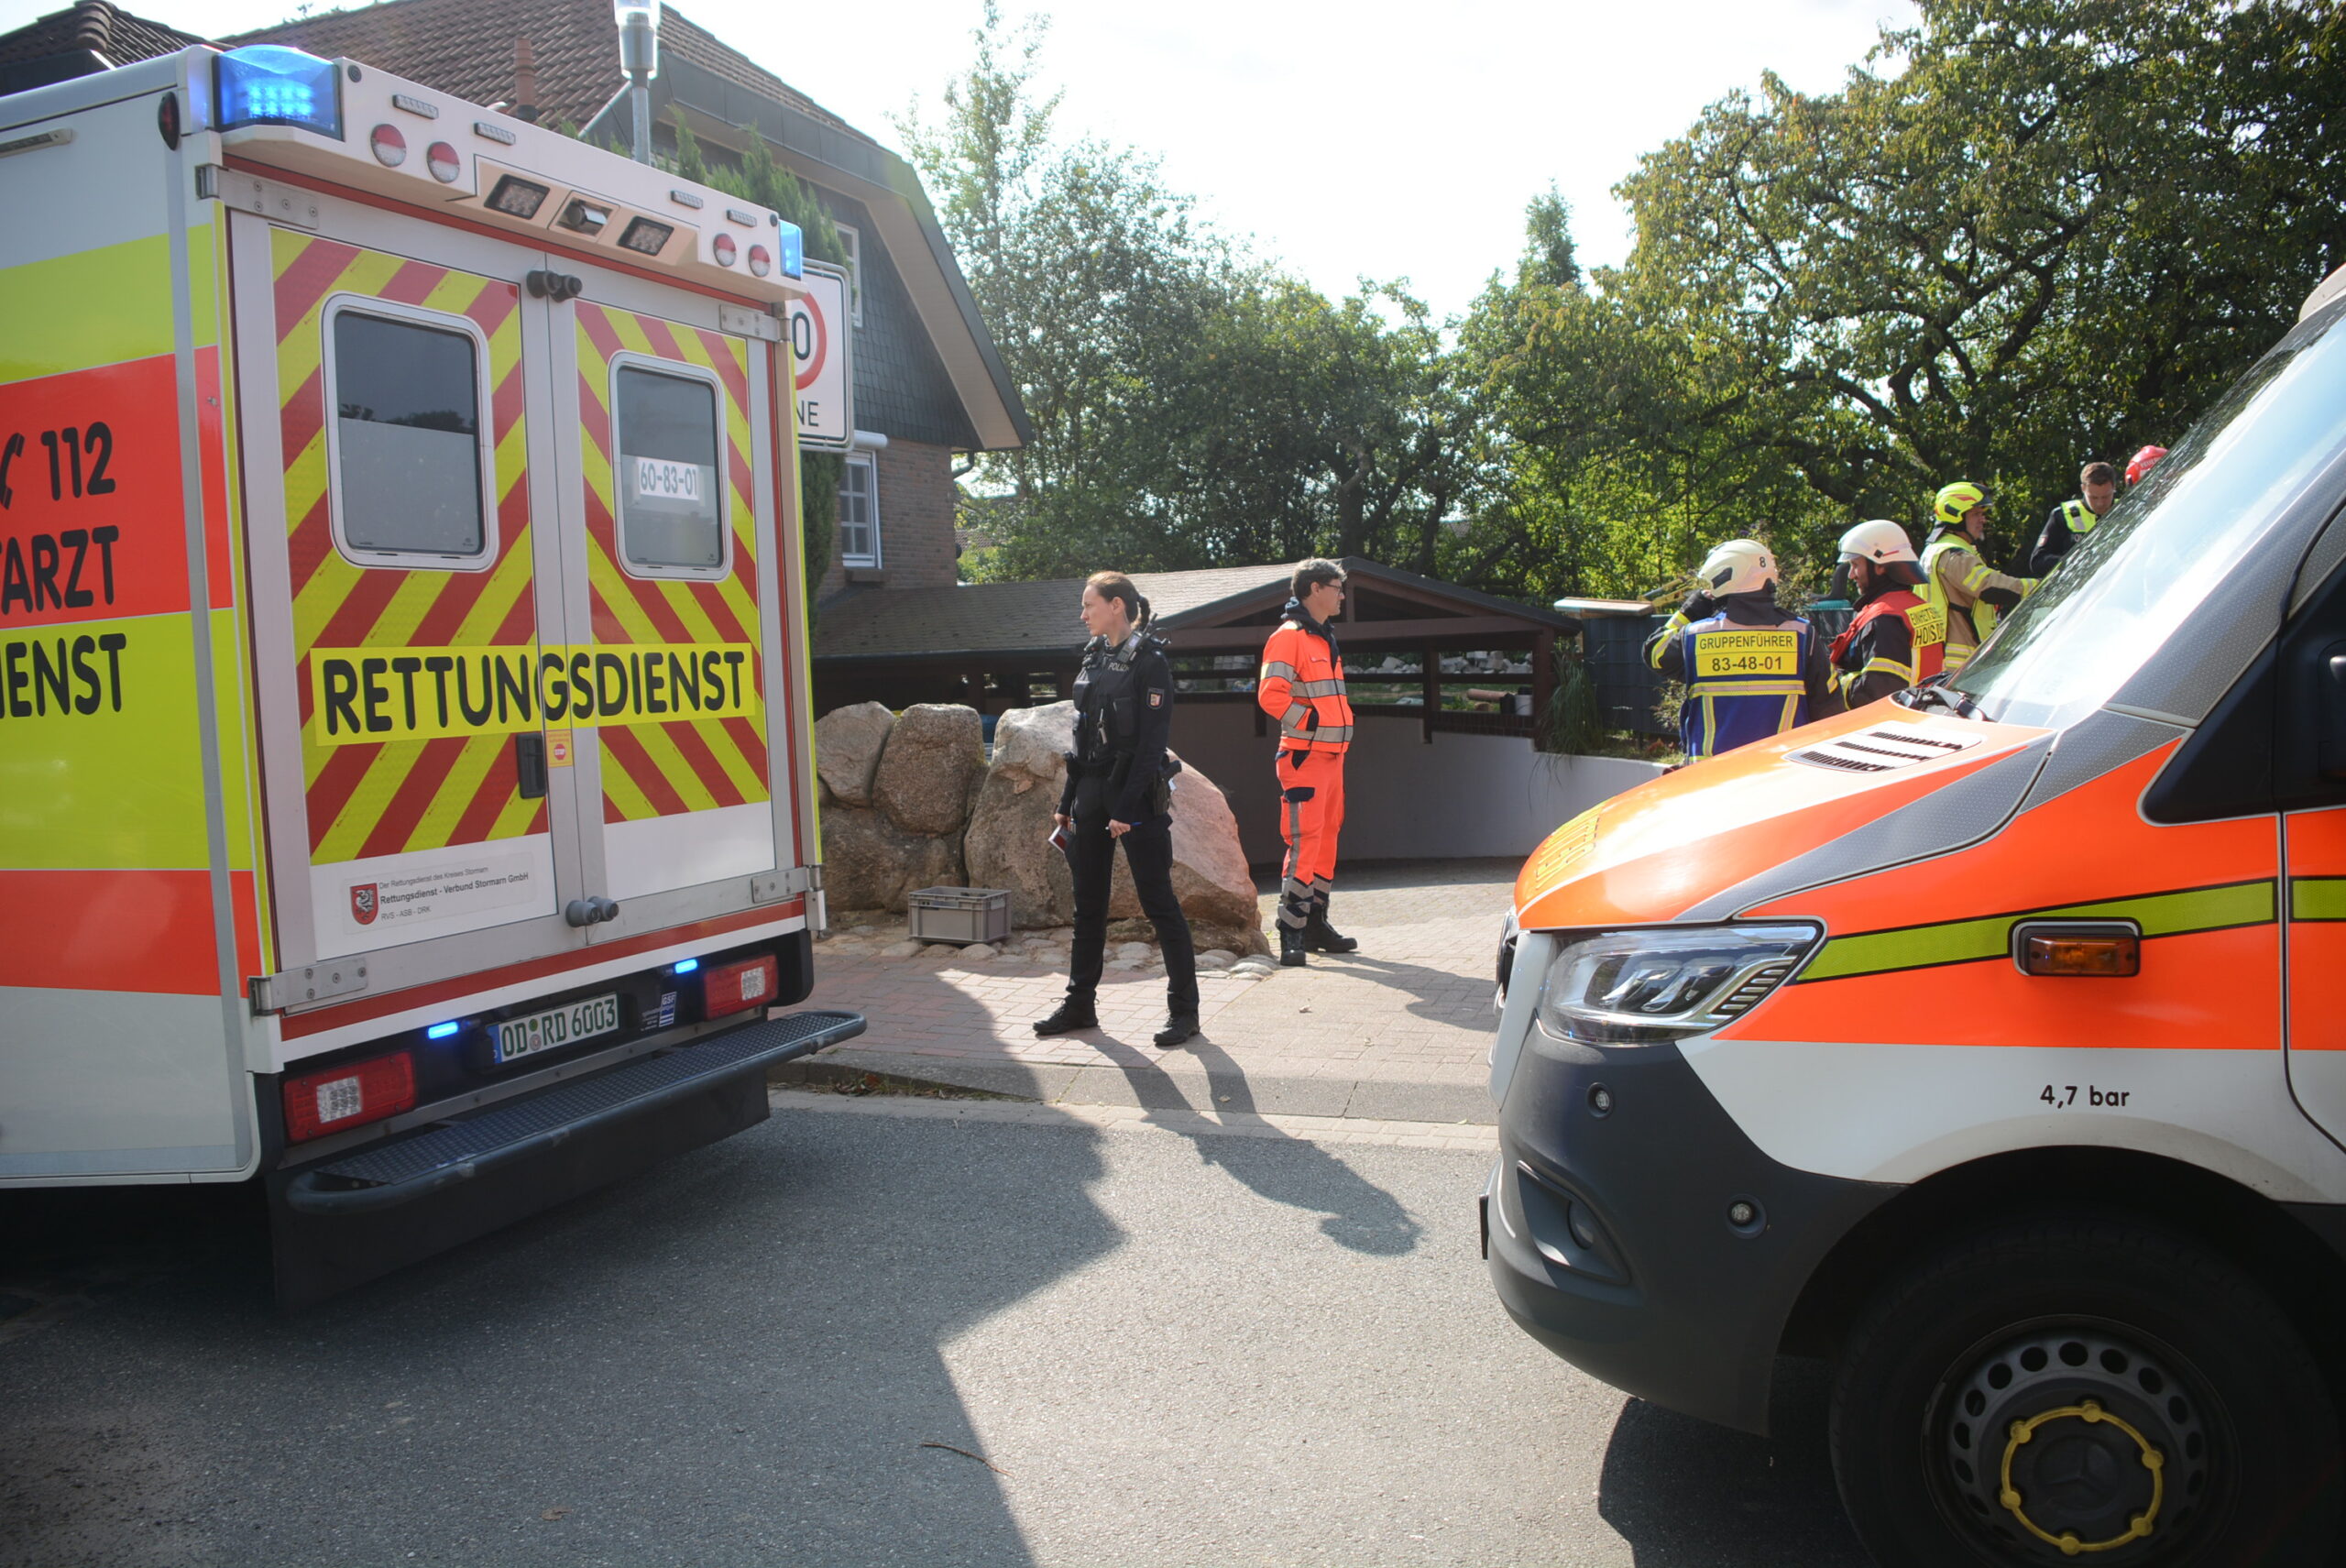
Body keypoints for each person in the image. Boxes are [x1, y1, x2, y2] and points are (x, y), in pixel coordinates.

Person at [1033, 571, 1200, 1049]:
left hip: (1136, 798)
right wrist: (1068, 803)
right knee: (1088, 905)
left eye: (1089, 605)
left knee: (1159, 903)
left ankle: (1184, 1012)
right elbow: (1081, 738)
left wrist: (1126, 808)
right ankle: (1079, 1003)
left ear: (1117, 606)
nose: (1082, 614)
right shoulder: (1093, 656)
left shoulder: (1151, 663)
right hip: (1091, 792)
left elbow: (1152, 745)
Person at [1641, 537, 1840, 760]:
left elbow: (1654, 653)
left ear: (1723, 576)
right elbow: (1830, 710)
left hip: (1710, 780)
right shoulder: (1802, 634)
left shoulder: (1696, 636)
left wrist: (1689, 611)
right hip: (1781, 777)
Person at [1257, 559, 1356, 968]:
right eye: (1337, 587)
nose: (1342, 595)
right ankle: (1291, 931)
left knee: (1327, 839)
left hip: (1332, 758)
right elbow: (1270, 694)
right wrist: (1313, 724)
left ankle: (1316, 923)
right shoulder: (1289, 637)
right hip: (1304, 757)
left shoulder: (1323, 637)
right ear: (1315, 588)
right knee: (1304, 842)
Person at [1920, 481, 2037, 676]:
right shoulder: (1952, 554)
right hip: (1957, 664)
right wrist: (2042, 586)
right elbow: (1989, 587)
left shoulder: (1938, 549)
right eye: (1976, 514)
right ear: (1955, 515)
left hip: (1945, 659)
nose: (1983, 520)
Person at [1829, 521, 1947, 705]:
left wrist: (1836, 681)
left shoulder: (1885, 619)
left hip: (1894, 722)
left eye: (1855, 564)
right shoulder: (1919, 607)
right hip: (1924, 714)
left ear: (1880, 566)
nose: (1851, 574)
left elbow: (1876, 692)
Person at [2026, 461, 2118, 576]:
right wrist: (2075, 561)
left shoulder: (2126, 509)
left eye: (2106, 496)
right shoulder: (2062, 515)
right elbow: (2038, 562)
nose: (2100, 503)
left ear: (2114, 487)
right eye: (2093, 497)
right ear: (2083, 488)